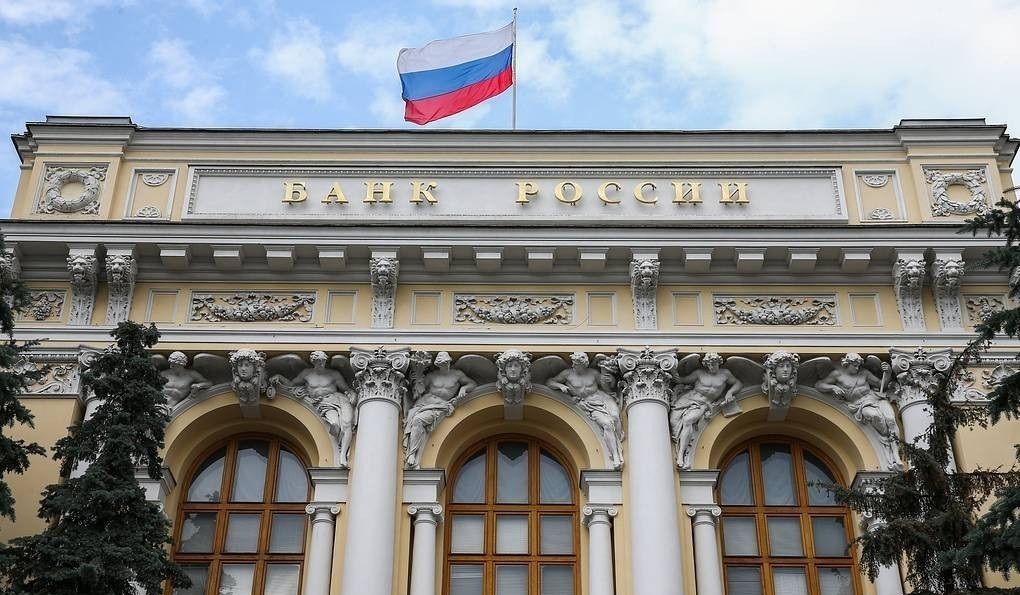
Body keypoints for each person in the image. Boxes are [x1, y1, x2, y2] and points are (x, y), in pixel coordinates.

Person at [547, 352, 624, 469]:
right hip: (587, 403)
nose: (574, 366)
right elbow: (549, 382)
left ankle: (617, 445)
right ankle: (615, 455)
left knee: (615, 416)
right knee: (607, 424)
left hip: (602, 398)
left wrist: (610, 380)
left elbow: (607, 388)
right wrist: (560, 386)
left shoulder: (593, 373)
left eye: (577, 364)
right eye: (574, 363)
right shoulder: (567, 374)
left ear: (584, 364)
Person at [403, 352, 476, 468]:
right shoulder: (432, 376)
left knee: (419, 420)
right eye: (442, 363)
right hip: (427, 403)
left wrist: (464, 388)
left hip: (443, 405)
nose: (445, 365)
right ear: (437, 364)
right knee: (416, 420)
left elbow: (472, 383)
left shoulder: (457, 375)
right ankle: (412, 454)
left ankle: (413, 454)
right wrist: (417, 380)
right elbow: (419, 392)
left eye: (447, 362)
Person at [669, 353, 742, 468]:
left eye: (713, 364)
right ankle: (680, 446)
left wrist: (730, 392)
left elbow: (738, 383)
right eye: (709, 365)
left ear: (719, 363)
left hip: (703, 404)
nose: (711, 367)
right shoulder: (699, 373)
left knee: (688, 420)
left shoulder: (725, 374)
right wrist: (672, 370)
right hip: (688, 398)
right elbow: (682, 380)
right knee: (673, 422)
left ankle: (681, 455)